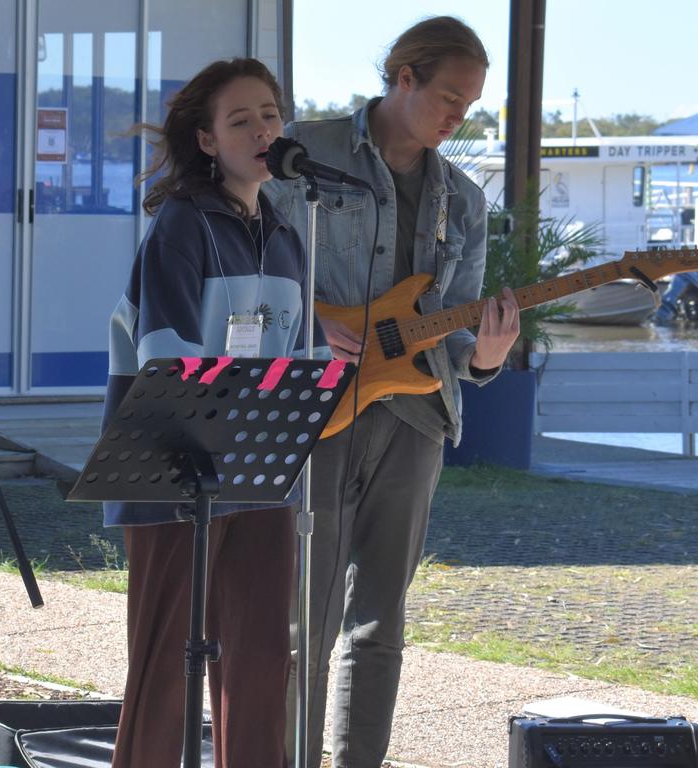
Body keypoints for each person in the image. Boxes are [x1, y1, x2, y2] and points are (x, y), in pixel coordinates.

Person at [265, 16, 521, 768]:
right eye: (448, 96)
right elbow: (247, 255)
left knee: (381, 620)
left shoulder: (463, 201)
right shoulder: (302, 151)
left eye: (470, 105)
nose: (457, 117)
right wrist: (309, 317)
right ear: (402, 75)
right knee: (300, 618)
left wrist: (489, 356)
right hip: (318, 399)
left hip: (418, 414)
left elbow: (457, 326)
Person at [104, 57, 326, 768]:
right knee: (165, 668)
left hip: (262, 472)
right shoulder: (181, 225)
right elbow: (163, 352)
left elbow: (300, 353)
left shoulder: (290, 232)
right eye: (241, 119)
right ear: (206, 141)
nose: (263, 129)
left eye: (270, 114)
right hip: (175, 472)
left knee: (263, 659)